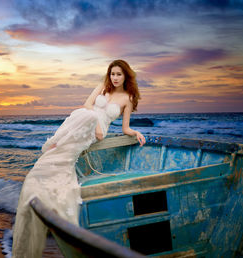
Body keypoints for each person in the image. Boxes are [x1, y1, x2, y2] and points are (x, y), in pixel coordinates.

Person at [12, 59, 146, 258]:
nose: (114, 78)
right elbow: (87, 105)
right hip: (87, 122)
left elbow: (125, 127)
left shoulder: (128, 98)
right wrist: (97, 126)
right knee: (87, 115)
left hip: (95, 132)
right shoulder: (103, 86)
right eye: (112, 74)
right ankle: (56, 147)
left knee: (87, 120)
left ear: (126, 75)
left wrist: (135, 133)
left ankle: (57, 144)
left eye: (118, 74)